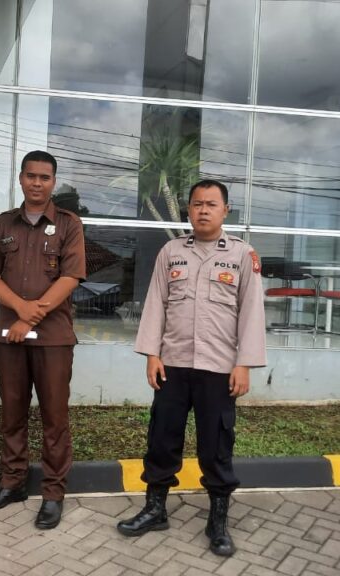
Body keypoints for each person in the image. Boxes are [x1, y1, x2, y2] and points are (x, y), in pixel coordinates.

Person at [116, 179, 266, 557]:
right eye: (197, 204)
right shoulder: (171, 252)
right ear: (188, 210)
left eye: (211, 204)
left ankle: (217, 521)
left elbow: (252, 313)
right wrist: (152, 355)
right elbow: (156, 304)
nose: (203, 210)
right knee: (162, 438)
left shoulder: (242, 255)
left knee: (215, 445)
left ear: (225, 210)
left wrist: (244, 364)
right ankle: (155, 509)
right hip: (173, 364)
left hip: (219, 368)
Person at [0, 150, 86, 530]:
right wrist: (20, 310)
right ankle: (13, 484)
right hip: (10, 337)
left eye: (45, 177)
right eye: (31, 176)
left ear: (53, 182)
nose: (37, 183)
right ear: (20, 178)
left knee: (55, 418)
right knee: (12, 413)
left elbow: (70, 277)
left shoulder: (69, 224)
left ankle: (53, 494)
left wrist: (30, 316)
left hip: (53, 339)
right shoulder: (3, 223)